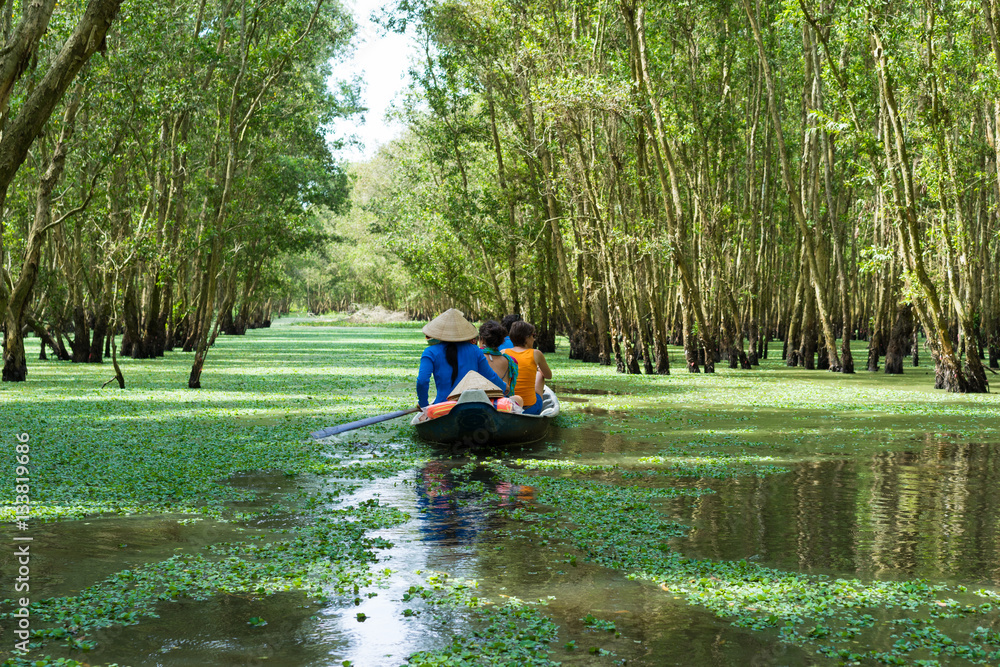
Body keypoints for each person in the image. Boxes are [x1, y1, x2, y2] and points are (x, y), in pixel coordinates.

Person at [417, 309, 509, 408]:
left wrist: (423, 405)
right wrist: (504, 387)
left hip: (442, 406)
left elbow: (422, 381)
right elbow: (490, 376)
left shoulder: (430, 352)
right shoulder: (475, 350)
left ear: (439, 331)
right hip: (471, 405)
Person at [505, 320, 552, 416]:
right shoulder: (536, 353)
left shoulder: (503, 352)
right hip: (530, 409)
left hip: (508, 407)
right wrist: (538, 369)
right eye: (533, 335)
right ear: (526, 337)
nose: (534, 339)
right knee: (540, 374)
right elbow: (548, 375)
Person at [478, 320, 523, 409]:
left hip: (480, 401)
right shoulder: (509, 360)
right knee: (518, 399)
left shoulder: (477, 357)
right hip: (501, 404)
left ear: (482, 339)